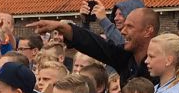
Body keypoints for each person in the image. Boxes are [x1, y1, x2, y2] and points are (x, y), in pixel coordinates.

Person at [30, 5, 159, 85]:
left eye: (129, 27)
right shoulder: (124, 57)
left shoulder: (163, 65)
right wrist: (61, 26)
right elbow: (94, 44)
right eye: (123, 27)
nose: (123, 32)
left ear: (148, 31)